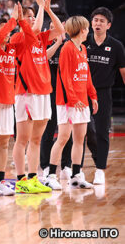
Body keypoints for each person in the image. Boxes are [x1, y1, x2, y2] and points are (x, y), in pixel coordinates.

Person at [0, 3, 36, 197]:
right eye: (3, 29)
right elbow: (1, 36)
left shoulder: (12, 49)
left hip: (7, 102)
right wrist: (11, 19)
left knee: (3, 144)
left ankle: (1, 180)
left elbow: (31, 38)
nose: (8, 32)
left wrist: (21, 21)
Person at [11, 0, 65, 194]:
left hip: (43, 92)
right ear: (20, 20)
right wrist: (41, 6)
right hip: (26, 93)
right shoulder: (20, 36)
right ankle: (20, 179)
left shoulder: (41, 39)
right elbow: (33, 28)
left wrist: (49, 9)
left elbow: (60, 30)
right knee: (22, 139)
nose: (33, 19)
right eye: (28, 16)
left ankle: (33, 177)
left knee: (36, 139)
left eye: (34, 15)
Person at [44, 16, 98, 190]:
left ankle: (76, 176)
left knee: (80, 138)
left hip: (82, 100)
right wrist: (74, 99)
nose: (89, 30)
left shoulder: (82, 48)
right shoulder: (67, 48)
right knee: (63, 138)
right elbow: (65, 76)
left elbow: (86, 75)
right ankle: (51, 175)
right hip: (67, 101)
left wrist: (93, 96)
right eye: (87, 27)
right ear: (82, 29)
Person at [84, 7, 125, 184]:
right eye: (95, 20)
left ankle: (100, 169)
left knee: (102, 131)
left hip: (103, 93)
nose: (98, 23)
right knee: (85, 131)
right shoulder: (83, 42)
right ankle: (71, 168)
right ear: (90, 23)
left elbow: (123, 71)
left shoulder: (116, 46)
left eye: (102, 21)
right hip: (82, 93)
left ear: (108, 25)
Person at [40, 23, 74, 181]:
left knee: (67, 133)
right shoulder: (44, 44)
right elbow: (43, 57)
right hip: (49, 93)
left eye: (58, 27)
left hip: (66, 94)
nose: (55, 29)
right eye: (52, 27)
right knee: (48, 131)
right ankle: (46, 166)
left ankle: (67, 165)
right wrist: (57, 42)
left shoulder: (69, 46)